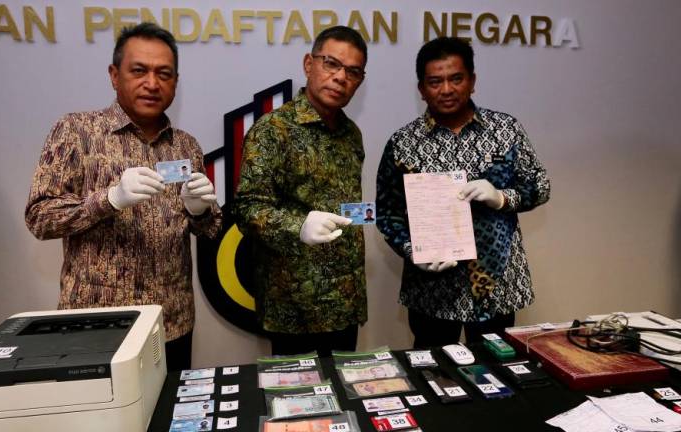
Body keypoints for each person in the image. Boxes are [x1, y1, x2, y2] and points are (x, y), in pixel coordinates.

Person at [25, 23, 222, 371]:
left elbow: (210, 230)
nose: (152, 83)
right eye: (139, 71)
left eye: (164, 73)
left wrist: (200, 211)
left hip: (171, 323)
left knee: (171, 421)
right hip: (98, 326)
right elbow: (40, 217)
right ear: (115, 75)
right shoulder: (76, 131)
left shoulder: (186, 145)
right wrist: (109, 199)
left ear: (175, 82)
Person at [375, 37, 550, 348]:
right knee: (435, 379)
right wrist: (410, 248)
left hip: (495, 286)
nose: (446, 89)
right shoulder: (403, 142)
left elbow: (539, 185)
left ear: (472, 81)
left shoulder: (506, 130)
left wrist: (501, 197)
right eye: (435, 81)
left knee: (496, 380)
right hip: (432, 290)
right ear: (421, 89)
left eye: (456, 78)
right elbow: (388, 213)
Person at [233, 26, 368, 356]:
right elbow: (247, 209)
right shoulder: (273, 130)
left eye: (352, 71)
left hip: (344, 301)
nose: (340, 77)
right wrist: (298, 226)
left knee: (348, 398)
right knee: (299, 405)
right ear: (309, 64)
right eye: (331, 64)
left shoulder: (352, 134)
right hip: (294, 308)